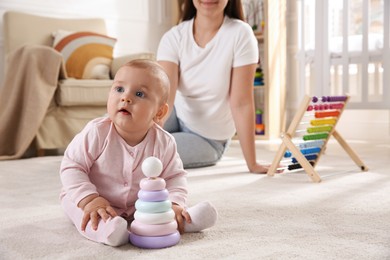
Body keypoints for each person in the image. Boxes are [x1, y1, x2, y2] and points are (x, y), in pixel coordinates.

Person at [59, 59, 217, 247]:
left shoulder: (164, 142)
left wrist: (174, 204)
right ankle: (107, 230)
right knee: (81, 212)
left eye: (140, 94)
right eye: (119, 89)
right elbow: (72, 166)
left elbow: (175, 177)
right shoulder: (97, 132)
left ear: (159, 112)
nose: (126, 98)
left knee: (161, 209)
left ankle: (182, 220)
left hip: (138, 205)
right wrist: (90, 199)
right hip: (88, 198)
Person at [157, 0, 279, 173]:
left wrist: (252, 163)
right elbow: (164, 97)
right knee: (122, 122)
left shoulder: (240, 34)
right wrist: (138, 133)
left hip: (209, 138)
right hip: (177, 113)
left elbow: (241, 103)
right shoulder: (174, 36)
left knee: (154, 155)